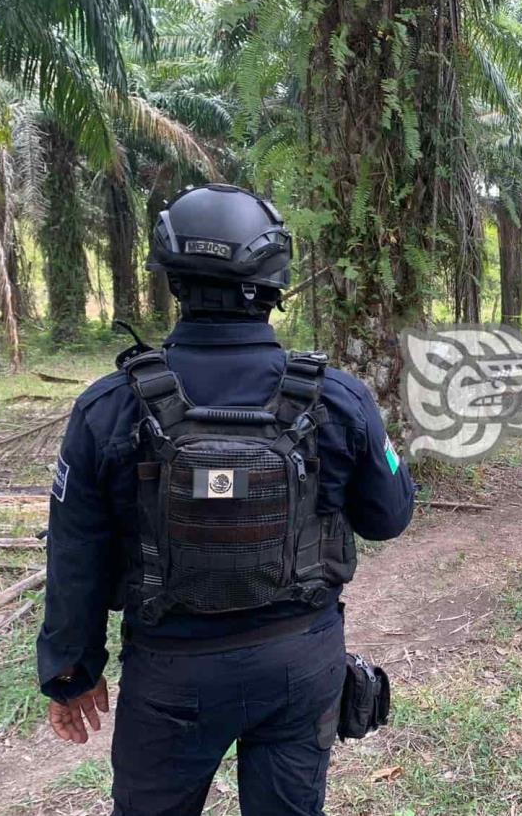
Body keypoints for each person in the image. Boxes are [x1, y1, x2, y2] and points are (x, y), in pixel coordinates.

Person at [36, 184, 416, 815]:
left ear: (173, 280)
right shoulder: (339, 398)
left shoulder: (110, 405)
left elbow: (75, 549)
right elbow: (389, 516)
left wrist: (70, 669)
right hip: (299, 661)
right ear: (273, 282)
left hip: (170, 674)